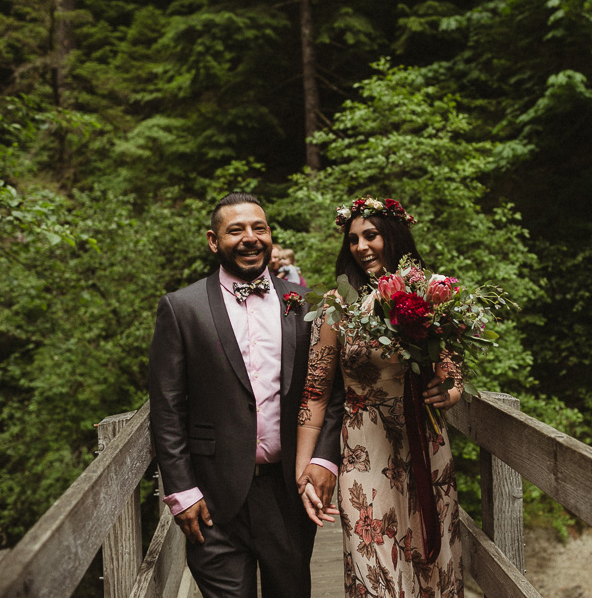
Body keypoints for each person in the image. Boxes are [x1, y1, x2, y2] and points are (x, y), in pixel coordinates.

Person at [148, 192, 345, 598]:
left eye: (259, 227)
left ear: (270, 235)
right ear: (212, 240)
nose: (250, 237)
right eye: (235, 230)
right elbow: (167, 408)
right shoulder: (181, 309)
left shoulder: (305, 303)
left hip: (287, 493)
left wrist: (325, 458)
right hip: (211, 497)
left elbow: (332, 389)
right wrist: (181, 492)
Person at [295, 196, 465, 598]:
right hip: (364, 446)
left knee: (431, 559)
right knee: (372, 562)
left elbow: (453, 370)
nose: (361, 246)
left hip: (423, 440)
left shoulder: (433, 293)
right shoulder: (337, 307)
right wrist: (304, 469)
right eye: (353, 239)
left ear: (393, 236)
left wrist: (450, 390)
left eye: (370, 235)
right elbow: (315, 392)